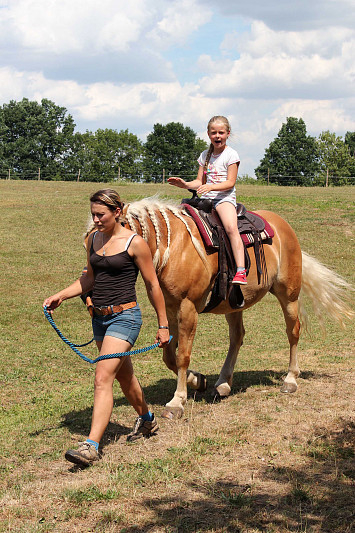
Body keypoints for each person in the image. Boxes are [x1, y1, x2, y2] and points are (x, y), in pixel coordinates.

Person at [43, 189, 170, 467]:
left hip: (125, 318)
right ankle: (147, 421)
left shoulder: (135, 243)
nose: (96, 220)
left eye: (101, 215)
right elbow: (88, 278)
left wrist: (163, 325)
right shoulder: (93, 239)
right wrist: (61, 295)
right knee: (124, 377)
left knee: (103, 377)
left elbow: (152, 285)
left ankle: (91, 446)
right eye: (93, 215)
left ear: (118, 211)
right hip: (99, 318)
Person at [168, 115, 247, 285]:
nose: (217, 136)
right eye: (214, 133)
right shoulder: (205, 155)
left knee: (231, 228)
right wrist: (184, 184)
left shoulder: (231, 155)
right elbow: (199, 182)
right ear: (208, 134)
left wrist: (211, 187)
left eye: (221, 132)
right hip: (205, 200)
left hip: (223, 199)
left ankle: (241, 270)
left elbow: (230, 182)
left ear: (228, 133)